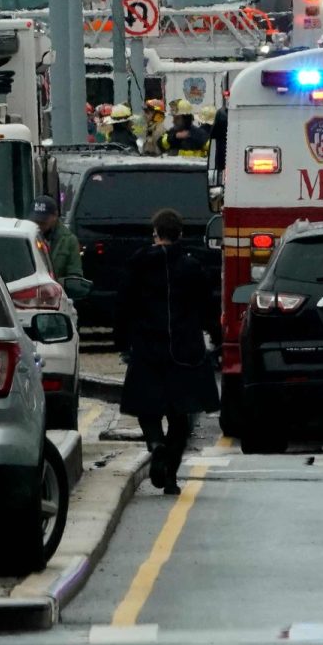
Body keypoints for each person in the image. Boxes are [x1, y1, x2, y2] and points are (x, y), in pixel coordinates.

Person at [115, 208, 220, 494]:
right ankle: (170, 477)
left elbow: (123, 304)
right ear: (181, 234)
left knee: (146, 407)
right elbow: (207, 307)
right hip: (185, 351)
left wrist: (121, 341)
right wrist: (218, 338)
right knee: (180, 415)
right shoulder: (192, 266)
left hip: (148, 348)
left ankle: (155, 444)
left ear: (156, 234)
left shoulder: (138, 264)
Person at [32, 194, 83, 282]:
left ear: (55, 216)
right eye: (36, 221)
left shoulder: (69, 240)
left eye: (43, 222)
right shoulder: (24, 236)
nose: (39, 225)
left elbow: (75, 275)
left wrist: (58, 284)